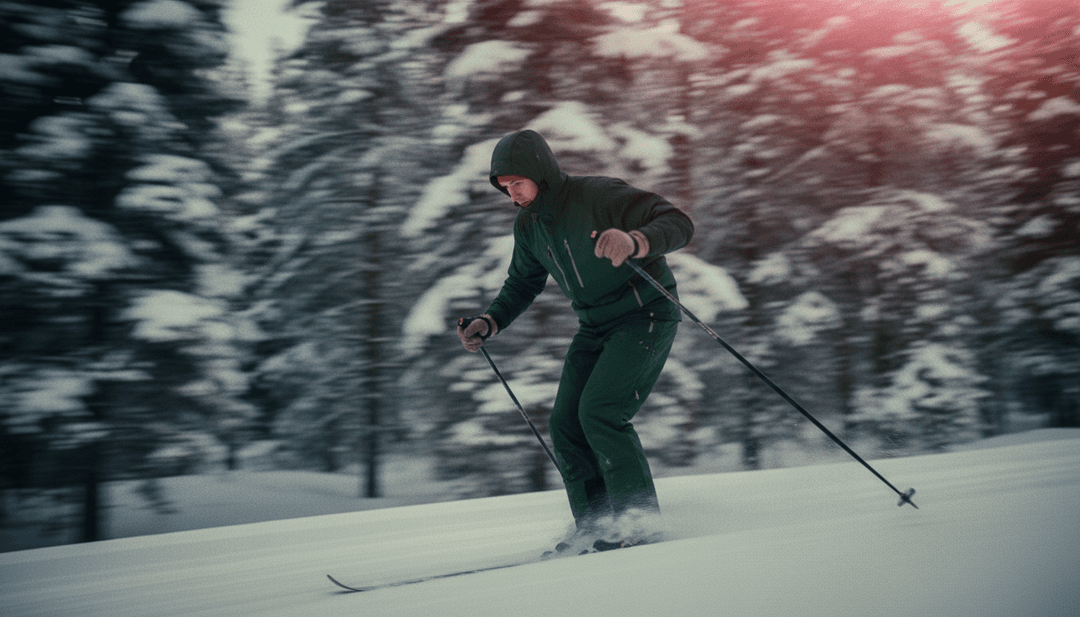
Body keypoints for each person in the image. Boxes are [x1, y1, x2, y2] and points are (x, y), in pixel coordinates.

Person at [457, 130, 694, 553]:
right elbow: (522, 283)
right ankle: (595, 524)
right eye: (505, 188)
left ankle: (637, 520)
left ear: (539, 173)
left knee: (601, 412)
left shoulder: (598, 195)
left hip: (644, 315)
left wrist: (635, 241)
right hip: (595, 326)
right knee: (565, 422)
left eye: (517, 184)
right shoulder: (529, 226)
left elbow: (677, 222)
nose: (513, 196)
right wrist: (490, 322)